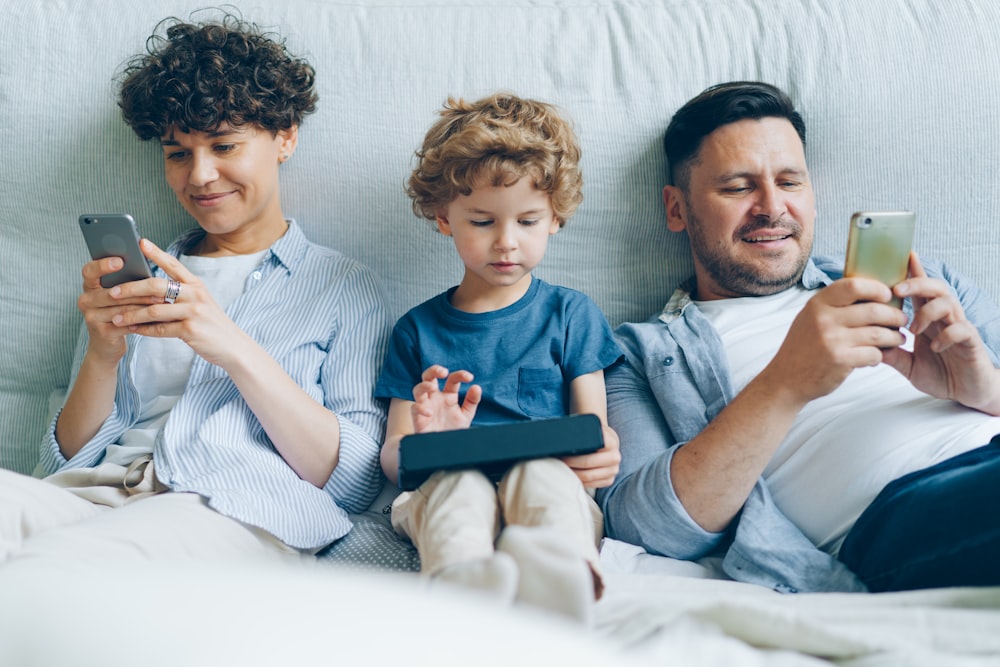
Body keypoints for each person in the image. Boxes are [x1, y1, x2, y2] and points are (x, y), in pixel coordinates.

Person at [0, 13, 391, 564]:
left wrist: (230, 345)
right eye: (178, 153)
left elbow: (353, 482)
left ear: (285, 138)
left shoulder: (343, 288)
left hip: (228, 505)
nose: (200, 176)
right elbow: (63, 461)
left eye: (224, 146)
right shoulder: (144, 277)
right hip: (98, 494)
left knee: (74, 562)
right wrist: (102, 354)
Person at [596, 81, 1000, 594]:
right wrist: (788, 381)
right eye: (738, 187)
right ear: (677, 209)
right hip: (908, 512)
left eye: (790, 181)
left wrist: (986, 388)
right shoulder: (635, 356)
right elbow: (645, 527)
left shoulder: (927, 281)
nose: (772, 207)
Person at [376, 93, 622, 621]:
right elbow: (395, 460)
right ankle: (462, 596)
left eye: (528, 222)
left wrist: (602, 454)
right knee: (459, 487)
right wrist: (427, 442)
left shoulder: (571, 314)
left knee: (541, 475)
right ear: (445, 218)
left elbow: (593, 433)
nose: (506, 243)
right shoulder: (416, 330)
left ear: (555, 218)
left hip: (549, 484)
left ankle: (564, 583)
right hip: (442, 484)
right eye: (483, 222)